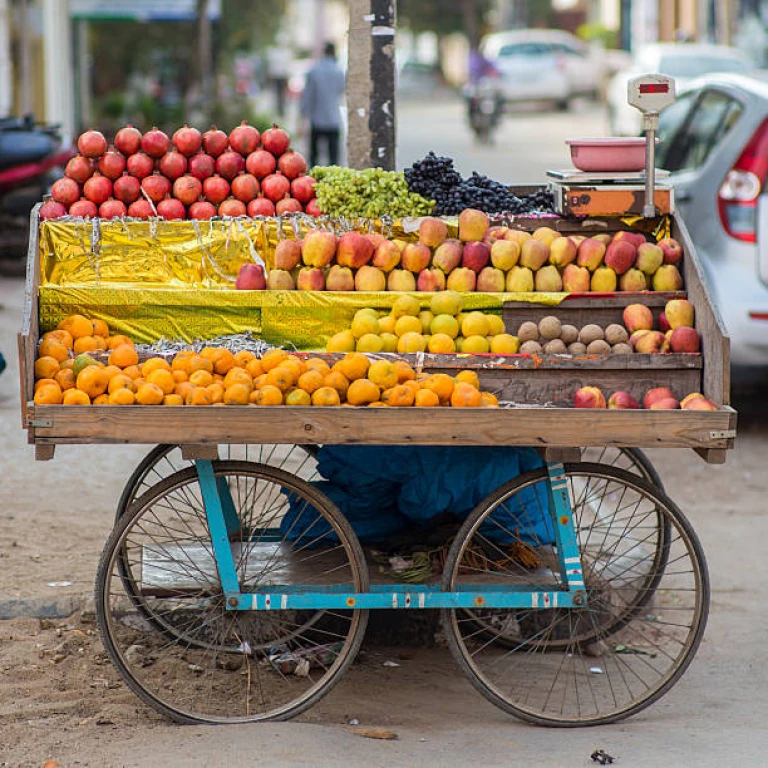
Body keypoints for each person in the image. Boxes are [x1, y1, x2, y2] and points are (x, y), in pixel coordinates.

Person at [300, 42, 345, 167]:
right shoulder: (339, 71)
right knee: (334, 158)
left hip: (316, 119)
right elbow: (342, 90)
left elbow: (307, 97)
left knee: (314, 157)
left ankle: (313, 181)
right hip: (333, 119)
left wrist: (303, 118)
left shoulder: (314, 71)